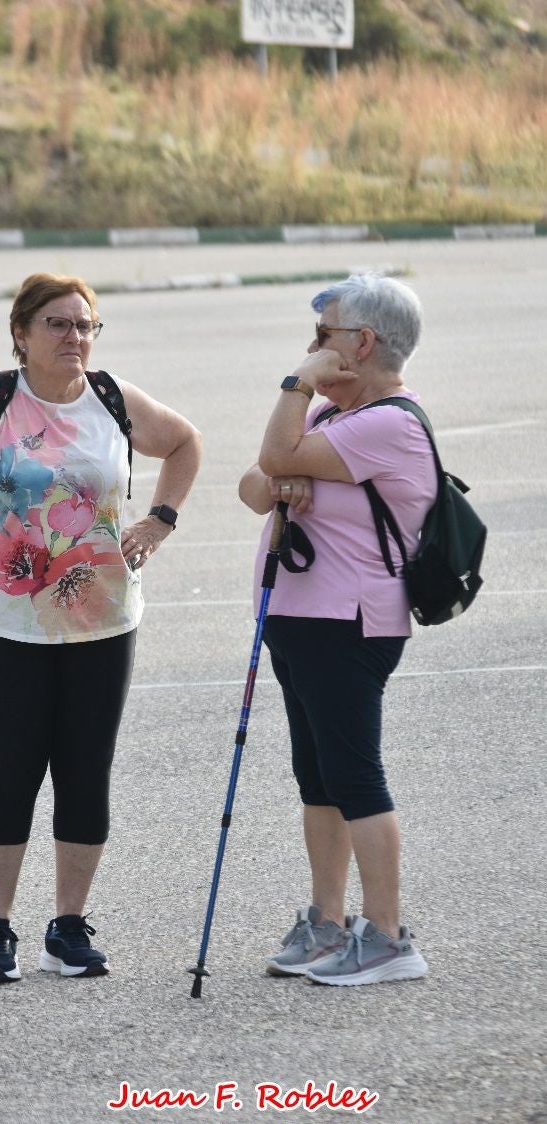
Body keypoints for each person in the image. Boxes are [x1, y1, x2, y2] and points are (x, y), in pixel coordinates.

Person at [0, 271, 202, 982]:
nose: (75, 337)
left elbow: (184, 444)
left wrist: (160, 520)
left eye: (86, 325)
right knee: (12, 768)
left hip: (104, 619)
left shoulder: (111, 400)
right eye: (58, 324)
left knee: (86, 771)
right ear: (21, 335)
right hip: (8, 620)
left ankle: (69, 925)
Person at [239, 273, 435, 986]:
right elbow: (256, 484)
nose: (312, 350)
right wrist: (284, 469)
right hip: (299, 619)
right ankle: (328, 921)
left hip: (347, 622)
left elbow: (274, 460)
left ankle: (386, 937)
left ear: (362, 343)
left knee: (353, 775)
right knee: (316, 778)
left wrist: (296, 386)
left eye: (323, 337)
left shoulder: (388, 422)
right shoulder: (333, 419)